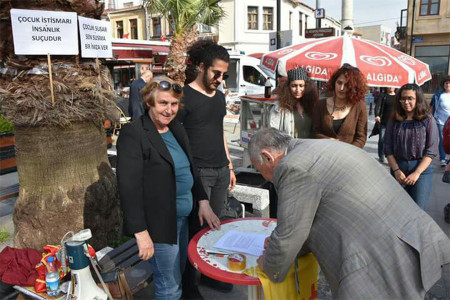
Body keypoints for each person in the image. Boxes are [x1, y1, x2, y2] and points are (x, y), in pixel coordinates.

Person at [247, 128, 450, 299]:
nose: (264, 176)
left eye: (259, 169)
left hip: (380, 261)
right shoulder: (316, 147)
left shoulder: (291, 166)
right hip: (410, 239)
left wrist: (269, 264)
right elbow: (313, 216)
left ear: (267, 156)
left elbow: (291, 232)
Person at [116, 76, 220, 299]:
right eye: (163, 103)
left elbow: (191, 168)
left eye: (174, 104)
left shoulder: (176, 128)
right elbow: (128, 187)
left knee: (178, 276)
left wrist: (203, 201)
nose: (169, 110)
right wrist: (141, 233)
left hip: (183, 219)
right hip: (159, 225)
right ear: (149, 103)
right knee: (169, 286)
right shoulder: (134, 134)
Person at [177, 40, 236, 296]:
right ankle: (190, 284)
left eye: (225, 75)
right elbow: (179, 142)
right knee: (196, 232)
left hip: (221, 170)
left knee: (217, 226)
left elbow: (219, 131)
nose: (220, 79)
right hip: (198, 174)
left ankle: (211, 274)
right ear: (202, 67)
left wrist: (230, 164)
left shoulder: (220, 97)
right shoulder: (183, 98)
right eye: (216, 73)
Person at [384, 83, 438, 210]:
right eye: (403, 98)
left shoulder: (428, 119)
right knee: (399, 209)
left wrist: (417, 173)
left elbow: (431, 151)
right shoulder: (394, 119)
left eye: (410, 98)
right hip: (399, 168)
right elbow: (387, 147)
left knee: (418, 209)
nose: (405, 102)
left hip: (421, 170)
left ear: (418, 99)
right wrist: (396, 170)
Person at [313, 63, 368, 148]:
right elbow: (315, 132)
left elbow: (361, 138)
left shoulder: (360, 107)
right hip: (323, 154)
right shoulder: (320, 105)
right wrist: (327, 140)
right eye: (339, 83)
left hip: (347, 157)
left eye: (346, 85)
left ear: (353, 87)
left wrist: (346, 152)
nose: (341, 88)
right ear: (334, 82)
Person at [269, 67, 318, 138]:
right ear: (288, 87)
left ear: (306, 86)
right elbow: (273, 133)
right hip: (289, 147)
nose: (298, 90)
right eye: (294, 86)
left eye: (301, 86)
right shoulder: (279, 107)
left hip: (309, 147)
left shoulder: (312, 105)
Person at [431, 75, 450, 166]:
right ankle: (442, 158)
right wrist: (432, 116)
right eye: (446, 83)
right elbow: (432, 106)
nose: (448, 85)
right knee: (442, 139)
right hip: (441, 121)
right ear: (443, 84)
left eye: (449, 83)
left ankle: (448, 158)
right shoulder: (438, 94)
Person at [374, 86, 396, 163]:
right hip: (384, 122)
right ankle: (381, 155)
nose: (391, 87)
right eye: (389, 86)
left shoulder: (397, 96)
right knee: (382, 140)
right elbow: (377, 106)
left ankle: (391, 156)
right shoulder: (383, 96)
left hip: (394, 123)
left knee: (393, 141)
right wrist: (377, 115)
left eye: (392, 86)